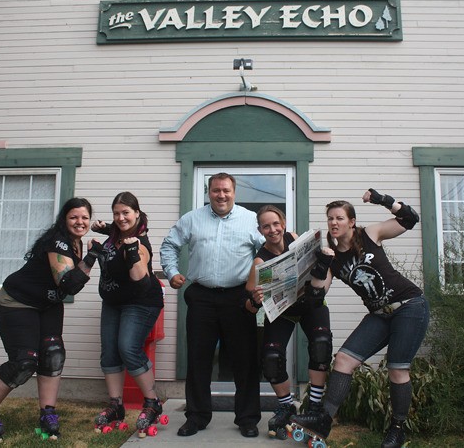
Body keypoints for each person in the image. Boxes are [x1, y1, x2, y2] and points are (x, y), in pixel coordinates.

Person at [290, 189, 429, 448]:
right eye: (330, 218)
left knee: (398, 369)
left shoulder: (369, 234)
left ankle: (397, 429)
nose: (334, 222)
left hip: (409, 306)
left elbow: (410, 220)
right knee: (343, 360)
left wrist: (382, 200)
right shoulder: (332, 257)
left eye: (340, 218)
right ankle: (324, 420)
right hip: (378, 315)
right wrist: (321, 264)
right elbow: (317, 296)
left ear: (351, 222)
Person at [0, 197, 101, 441]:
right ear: (64, 219)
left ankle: (47, 413)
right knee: (23, 362)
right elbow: (69, 284)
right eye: (74, 217)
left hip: (48, 303)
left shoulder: (76, 242)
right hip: (18, 301)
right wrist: (92, 256)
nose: (80, 222)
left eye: (84, 217)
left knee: (53, 355)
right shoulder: (58, 242)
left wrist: (107, 232)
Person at [160, 172, 265, 438]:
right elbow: (170, 245)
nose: (221, 195)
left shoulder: (251, 220)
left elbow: (271, 250)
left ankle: (247, 418)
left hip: (238, 299)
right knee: (198, 359)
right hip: (202, 298)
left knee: (245, 361)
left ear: (234, 192)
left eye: (226, 190)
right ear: (209, 192)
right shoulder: (192, 219)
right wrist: (172, 272)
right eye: (216, 190)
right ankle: (196, 416)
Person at [244, 205, 333, 440]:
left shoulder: (296, 240)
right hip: (284, 310)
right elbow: (249, 303)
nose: (272, 229)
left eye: (275, 224)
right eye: (266, 226)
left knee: (321, 344)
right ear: (260, 230)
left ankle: (314, 406)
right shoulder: (260, 260)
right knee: (271, 358)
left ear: (283, 224)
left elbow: (325, 272)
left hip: (310, 305)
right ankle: (286, 406)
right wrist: (255, 300)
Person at [90, 192, 165, 436]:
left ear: (137, 214)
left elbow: (140, 281)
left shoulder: (140, 242)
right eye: (117, 213)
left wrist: (133, 252)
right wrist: (100, 228)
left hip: (141, 302)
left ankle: (152, 403)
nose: (121, 218)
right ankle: (116, 405)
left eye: (126, 213)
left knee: (128, 348)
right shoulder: (115, 234)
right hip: (112, 302)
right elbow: (112, 229)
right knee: (109, 351)